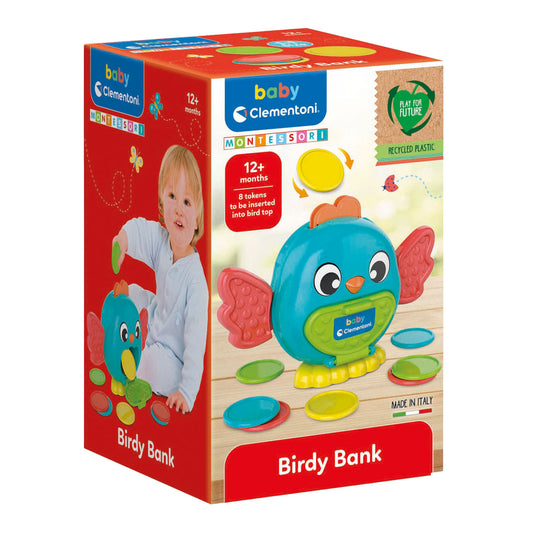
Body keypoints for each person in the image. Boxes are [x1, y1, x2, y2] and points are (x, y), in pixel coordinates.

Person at [113, 145, 208, 414]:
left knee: (153, 364)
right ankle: (132, 341)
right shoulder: (161, 240)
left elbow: (196, 343)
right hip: (157, 322)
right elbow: (139, 230)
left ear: (197, 219)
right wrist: (122, 240)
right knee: (131, 292)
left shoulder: (196, 282)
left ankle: (134, 360)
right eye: (172, 197)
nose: (178, 209)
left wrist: (187, 392)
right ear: (161, 205)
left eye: (187, 202)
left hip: (174, 358)